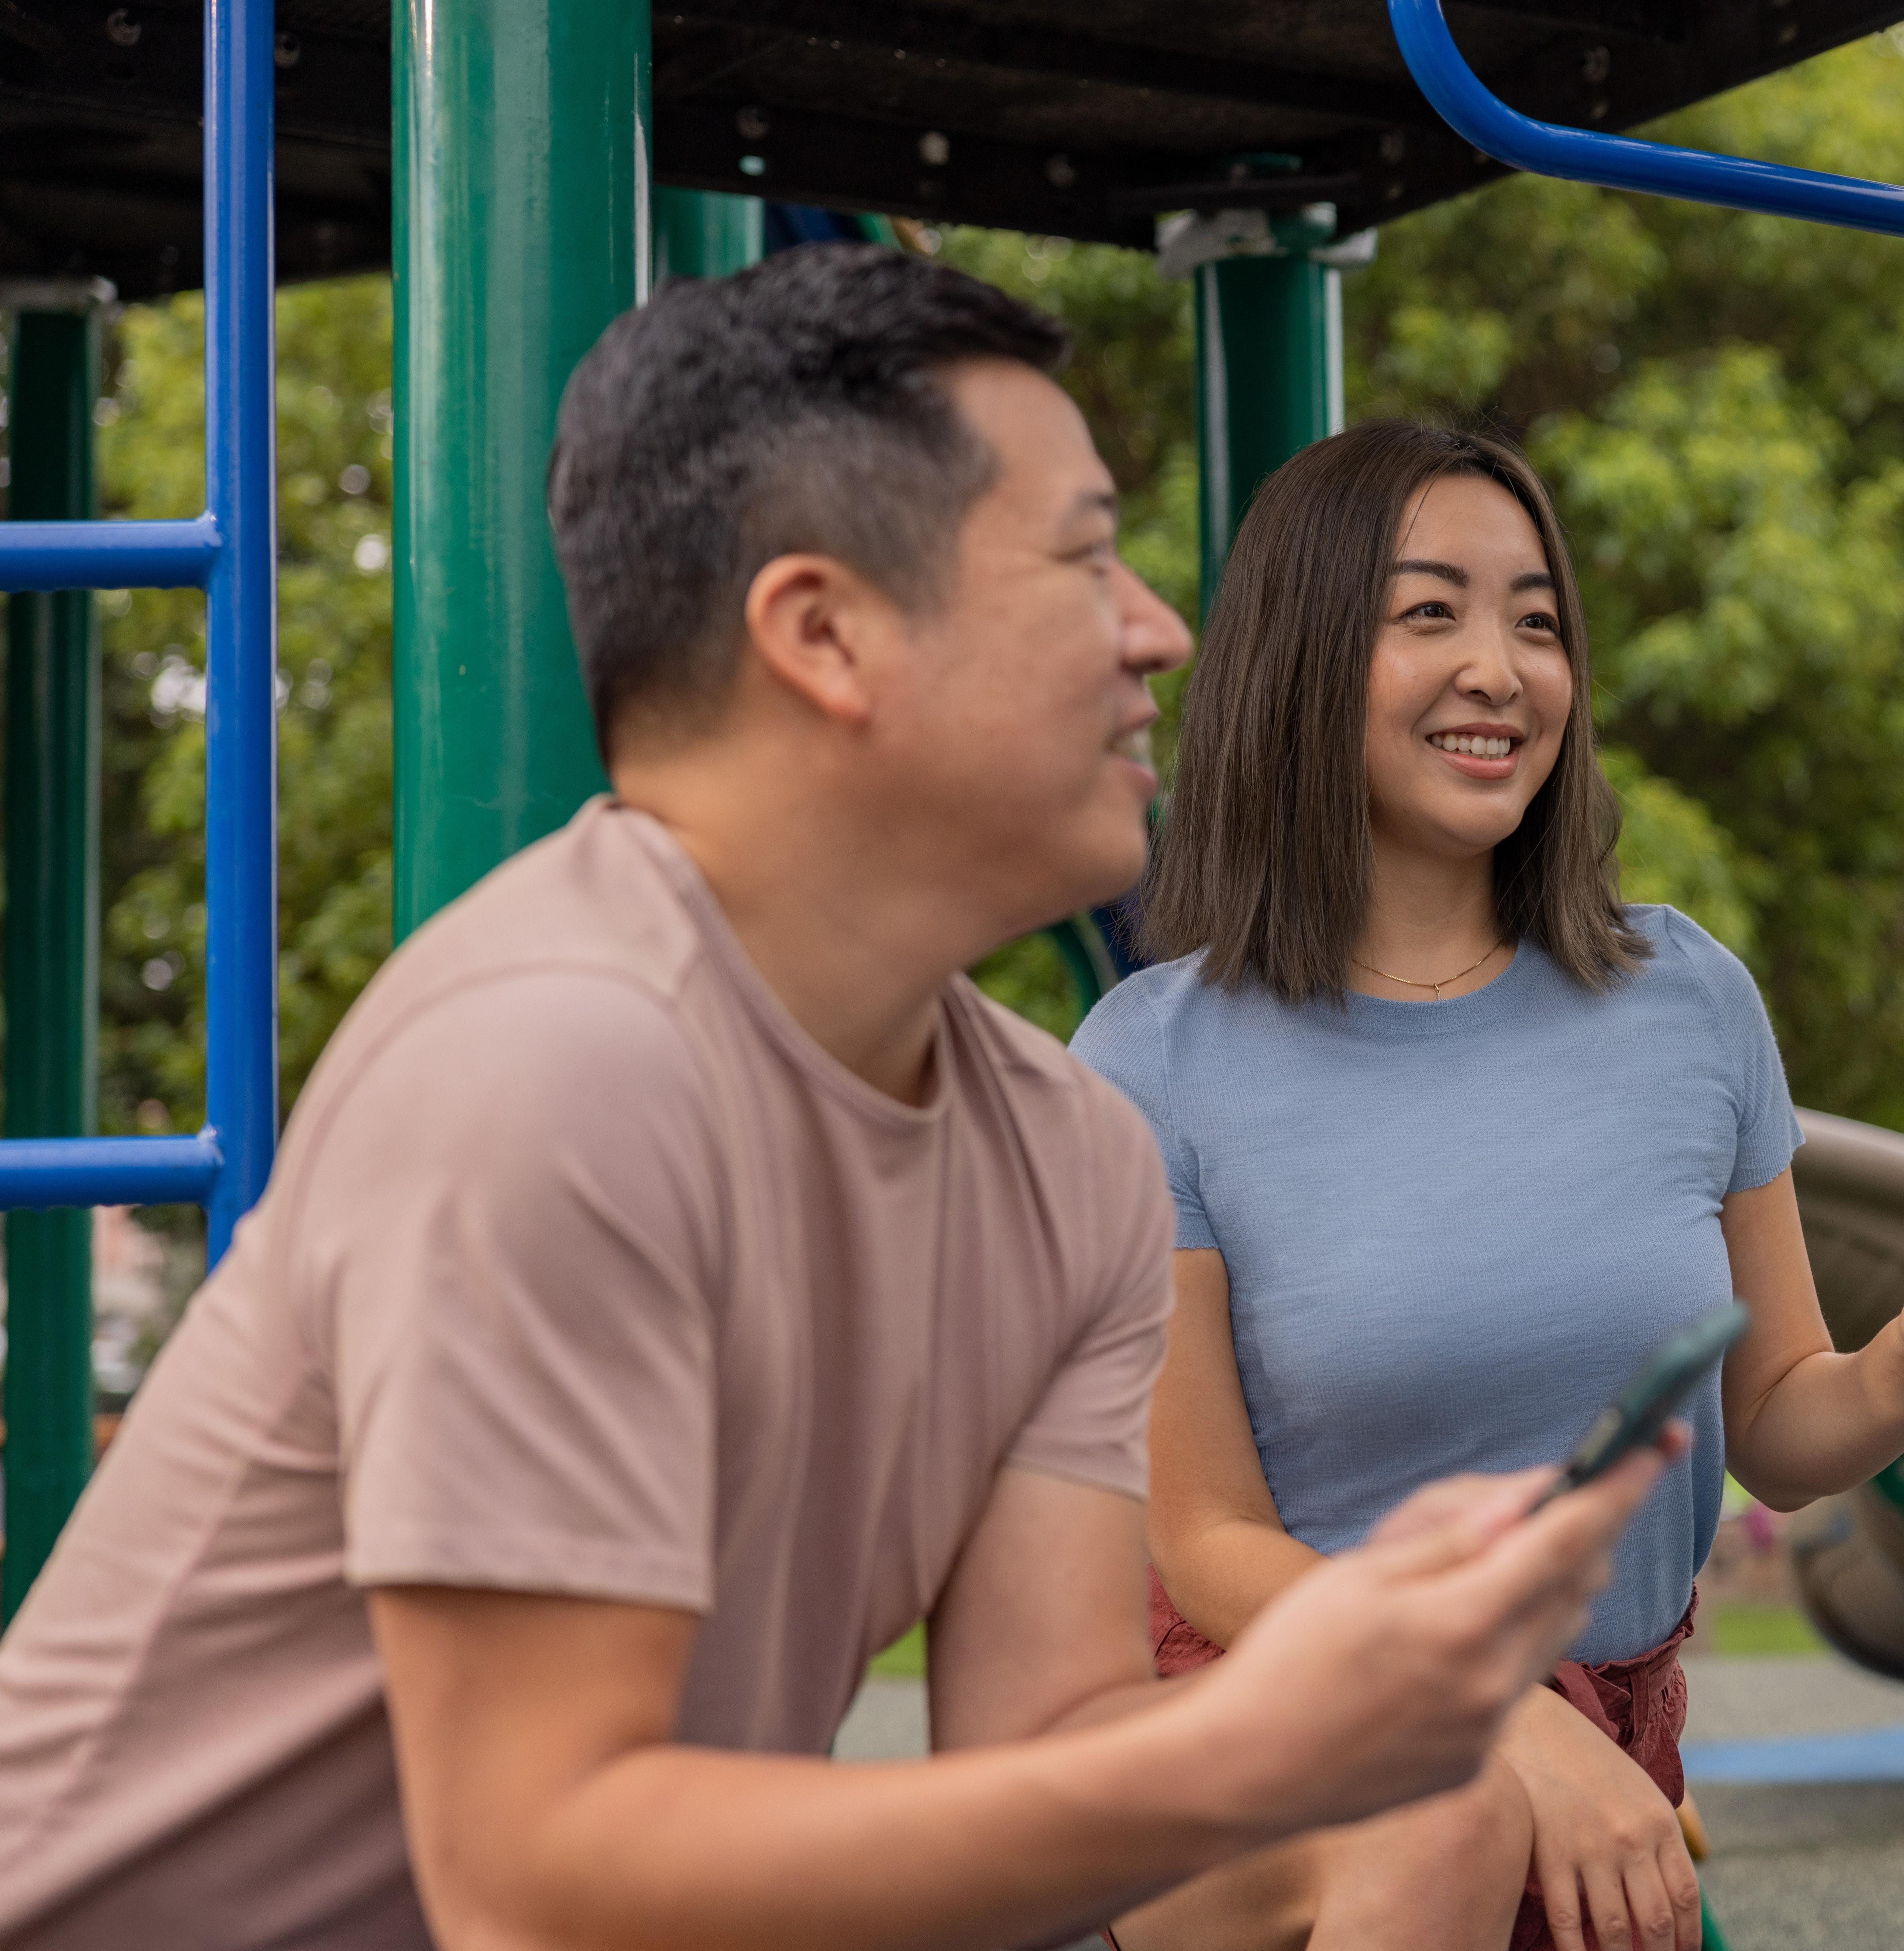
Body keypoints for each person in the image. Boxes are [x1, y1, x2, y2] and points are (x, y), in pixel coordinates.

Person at [0, 245, 1673, 1951]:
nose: (1160, 631)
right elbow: (538, 1879)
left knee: (1431, 1793)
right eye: (1086, 557)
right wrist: (1248, 1742)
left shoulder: (1072, 1155)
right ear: (822, 631)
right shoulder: (553, 1058)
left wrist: (1369, 1710)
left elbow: (1049, 1757)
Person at [1069, 419, 1904, 1951]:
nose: (1500, 666)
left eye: (1536, 619)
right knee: (1453, 1814)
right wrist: (1491, 1716)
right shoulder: (1151, 1056)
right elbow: (1208, 1537)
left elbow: (1776, 1428)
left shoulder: (1685, 997)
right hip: (1293, 1746)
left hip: (1607, 1762)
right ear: (1302, 651)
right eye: (1429, 612)